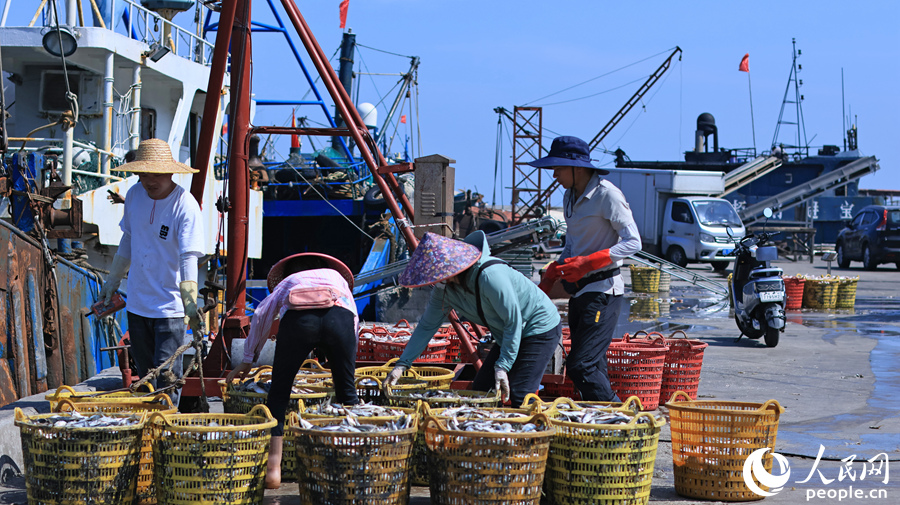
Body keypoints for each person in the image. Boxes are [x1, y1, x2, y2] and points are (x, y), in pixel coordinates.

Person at [225, 253, 359, 489]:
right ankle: (354, 465)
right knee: (347, 394)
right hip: (340, 320)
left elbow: (261, 315)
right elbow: (353, 318)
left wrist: (248, 358)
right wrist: (343, 355)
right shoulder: (336, 277)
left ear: (291, 271)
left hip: (298, 324)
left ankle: (273, 471)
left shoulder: (291, 280)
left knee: (279, 393)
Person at [383, 231, 562, 407]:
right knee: (481, 390)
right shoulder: (444, 289)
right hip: (507, 332)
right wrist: (402, 364)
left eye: (434, 275)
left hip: (538, 327)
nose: (433, 281)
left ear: (449, 269)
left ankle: (531, 433)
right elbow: (427, 326)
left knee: (521, 394)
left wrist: (502, 366)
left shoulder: (490, 276)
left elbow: (512, 320)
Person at [528, 135, 641, 402]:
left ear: (576, 167)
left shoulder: (607, 194)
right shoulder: (569, 196)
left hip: (603, 292)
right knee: (594, 363)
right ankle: (602, 425)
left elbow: (633, 242)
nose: (554, 174)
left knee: (582, 367)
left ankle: (622, 418)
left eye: (557, 168)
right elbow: (573, 243)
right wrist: (558, 266)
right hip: (579, 292)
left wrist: (589, 262)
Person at [98, 138, 205, 407]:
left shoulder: (185, 205)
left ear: (170, 172)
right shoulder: (134, 195)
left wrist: (190, 305)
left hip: (170, 309)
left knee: (167, 378)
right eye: (144, 173)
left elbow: (188, 258)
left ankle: (166, 433)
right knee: (145, 378)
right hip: (137, 306)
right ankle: (148, 436)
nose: (149, 180)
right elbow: (128, 240)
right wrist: (112, 280)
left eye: (156, 174)